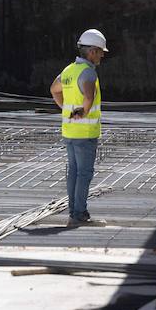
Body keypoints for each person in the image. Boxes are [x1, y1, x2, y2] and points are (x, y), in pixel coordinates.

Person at [50, 28, 108, 225]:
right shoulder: (88, 73)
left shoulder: (68, 71)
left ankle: (74, 212)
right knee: (84, 173)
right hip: (85, 133)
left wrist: (66, 109)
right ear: (91, 51)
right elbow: (89, 98)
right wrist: (82, 112)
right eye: (100, 51)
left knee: (74, 172)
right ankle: (79, 213)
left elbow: (53, 89)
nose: (101, 55)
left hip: (69, 131)